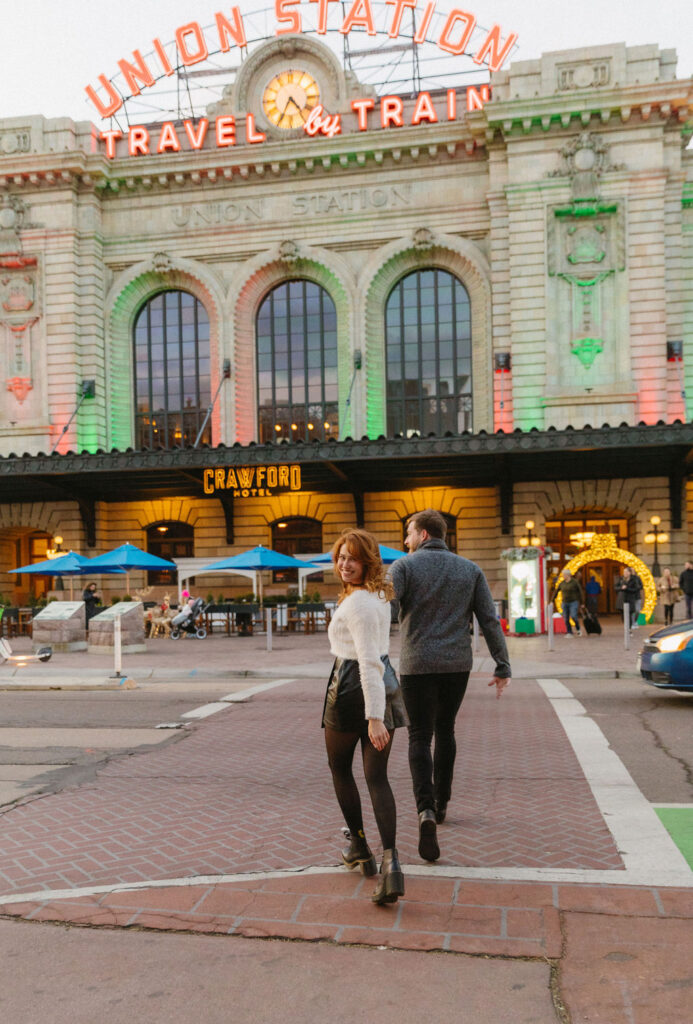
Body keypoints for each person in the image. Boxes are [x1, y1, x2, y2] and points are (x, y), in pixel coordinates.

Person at [389, 509, 511, 863]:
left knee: (418, 736)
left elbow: (386, 610)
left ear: (424, 534)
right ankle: (442, 803)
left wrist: (375, 658)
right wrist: (502, 664)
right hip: (457, 664)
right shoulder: (469, 569)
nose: (406, 540)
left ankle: (424, 809)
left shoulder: (404, 567)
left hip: (416, 665)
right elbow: (489, 620)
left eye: (409, 533)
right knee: (445, 730)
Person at [323, 528, 408, 905]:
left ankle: (360, 844)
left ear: (367, 561)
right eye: (341, 557)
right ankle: (389, 862)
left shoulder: (357, 604)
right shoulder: (379, 595)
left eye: (352, 558)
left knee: (341, 769)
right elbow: (378, 661)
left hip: (354, 685)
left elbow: (367, 662)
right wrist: (378, 711)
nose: (344, 564)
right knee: (377, 778)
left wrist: (374, 717)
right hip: (384, 682)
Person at [552, 569, 584, 637]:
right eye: (563, 575)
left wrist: (582, 602)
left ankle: (578, 629)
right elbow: (556, 591)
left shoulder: (575, 582)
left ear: (568, 575)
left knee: (573, 616)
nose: (563, 576)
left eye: (564, 575)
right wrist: (552, 600)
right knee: (566, 618)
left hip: (574, 602)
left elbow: (580, 592)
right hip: (565, 602)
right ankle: (569, 632)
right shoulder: (562, 583)